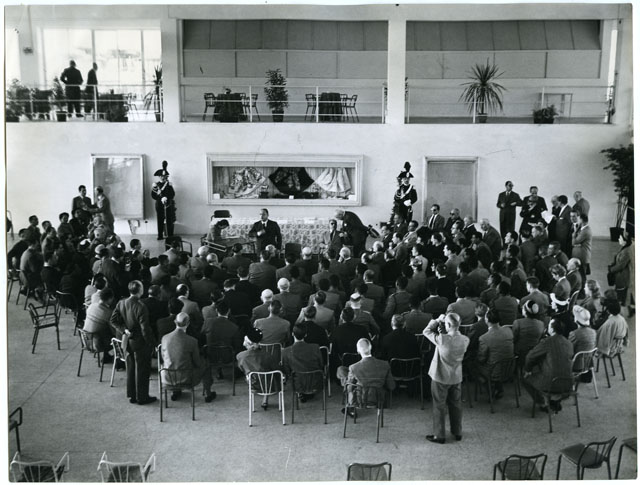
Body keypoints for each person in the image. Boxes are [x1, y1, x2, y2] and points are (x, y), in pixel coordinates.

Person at [423, 312, 469, 444]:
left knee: (439, 405)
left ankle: (439, 435)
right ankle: (457, 431)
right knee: (456, 404)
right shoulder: (465, 340)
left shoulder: (442, 339)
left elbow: (426, 331)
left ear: (447, 324)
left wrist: (437, 320)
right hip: (456, 376)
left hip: (440, 376)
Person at [109, 280, 157, 405]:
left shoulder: (121, 302)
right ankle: (142, 397)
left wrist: (124, 329)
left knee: (130, 368)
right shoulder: (141, 307)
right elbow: (145, 329)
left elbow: (113, 320)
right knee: (142, 370)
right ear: (140, 290)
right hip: (140, 342)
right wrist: (151, 343)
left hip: (127, 341)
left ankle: (132, 395)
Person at [160, 312, 216, 402]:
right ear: (188, 323)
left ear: (175, 322)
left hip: (167, 378)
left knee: (172, 362)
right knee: (206, 364)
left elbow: (163, 358)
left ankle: (175, 391)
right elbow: (197, 363)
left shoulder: (164, 338)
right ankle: (208, 393)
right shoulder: (192, 341)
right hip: (186, 379)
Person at [522, 319, 573, 413]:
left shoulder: (547, 342)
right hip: (569, 382)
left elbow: (530, 356)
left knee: (525, 378)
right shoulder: (569, 343)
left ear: (552, 330)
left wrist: (528, 369)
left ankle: (542, 403)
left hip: (551, 383)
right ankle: (556, 399)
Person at [336, 338, 395, 411]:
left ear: (358, 350)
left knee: (345, 378)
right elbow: (392, 386)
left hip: (359, 401)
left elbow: (349, 389)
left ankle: (351, 409)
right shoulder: (385, 364)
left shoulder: (353, 367)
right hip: (379, 401)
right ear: (371, 348)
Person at [236, 327, 281, 410]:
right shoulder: (268, 356)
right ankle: (265, 400)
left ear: (248, 342)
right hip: (270, 386)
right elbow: (276, 369)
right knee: (268, 375)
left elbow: (242, 368)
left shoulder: (240, 356)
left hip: (253, 384)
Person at [476, 309, 514, 399]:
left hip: (494, 372)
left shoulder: (484, 338)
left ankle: (489, 388)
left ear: (486, 320)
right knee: (497, 359)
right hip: (510, 369)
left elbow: (481, 359)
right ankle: (499, 388)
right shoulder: (508, 331)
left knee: (473, 366)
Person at [282, 324, 324, 402]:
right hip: (316, 383)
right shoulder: (315, 347)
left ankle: (302, 393)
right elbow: (321, 364)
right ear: (305, 335)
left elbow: (287, 371)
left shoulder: (286, 351)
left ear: (292, 334)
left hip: (298, 385)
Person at [608, 233, 634, 312]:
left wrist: (611, 269)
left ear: (625, 241)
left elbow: (621, 266)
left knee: (620, 295)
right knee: (621, 294)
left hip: (622, 277)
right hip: (620, 276)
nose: (619, 239)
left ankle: (620, 311)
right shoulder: (624, 248)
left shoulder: (627, 251)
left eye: (620, 238)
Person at [151, 161, 176, 240]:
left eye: (164, 176)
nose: (163, 177)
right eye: (161, 176)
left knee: (169, 220)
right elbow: (153, 195)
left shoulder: (169, 184)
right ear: (159, 176)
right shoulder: (156, 185)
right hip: (159, 204)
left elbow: (172, 194)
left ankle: (170, 235)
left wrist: (167, 198)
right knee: (160, 220)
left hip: (168, 204)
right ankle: (160, 235)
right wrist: (160, 198)